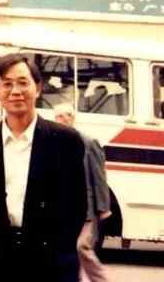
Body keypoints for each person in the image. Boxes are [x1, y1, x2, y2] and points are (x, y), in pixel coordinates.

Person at [0, 53, 86, 282]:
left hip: (50, 262)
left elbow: (76, 206)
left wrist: (59, 251)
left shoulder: (65, 140)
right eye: (7, 84)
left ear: (38, 88)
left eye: (23, 82)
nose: (15, 91)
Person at [54, 103, 111, 282]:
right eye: (58, 116)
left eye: (66, 116)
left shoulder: (89, 142)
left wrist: (103, 208)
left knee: (81, 247)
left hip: (86, 208)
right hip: (62, 207)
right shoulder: (53, 142)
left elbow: (99, 176)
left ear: (72, 118)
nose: (62, 119)